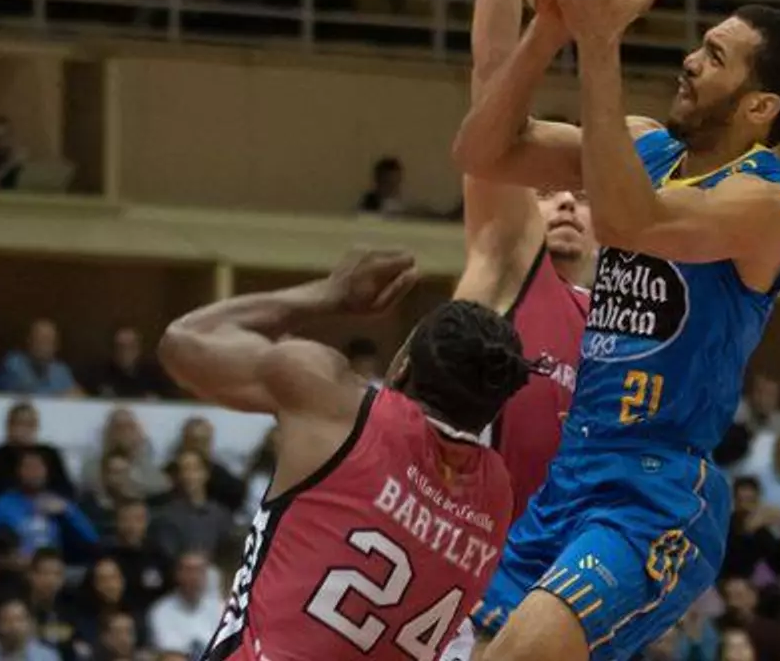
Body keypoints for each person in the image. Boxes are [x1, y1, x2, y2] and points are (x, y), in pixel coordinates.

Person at [452, 0, 780, 661]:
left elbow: (630, 222)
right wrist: (546, 14)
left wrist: (598, 42)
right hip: (572, 476)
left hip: (656, 497)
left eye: (716, 57)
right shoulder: (649, 146)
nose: (691, 60)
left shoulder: (766, 203)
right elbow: (484, 149)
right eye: (700, 45)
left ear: (760, 107)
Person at [156, 247, 530, 661]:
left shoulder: (340, 410)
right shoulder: (497, 495)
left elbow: (185, 342)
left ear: (402, 367)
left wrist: (329, 294)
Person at [437, 0, 591, 661]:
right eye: (547, 185)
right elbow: (493, 77)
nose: (562, 200)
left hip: (551, 599)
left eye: (578, 188)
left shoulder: (628, 326)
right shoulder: (509, 256)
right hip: (449, 581)